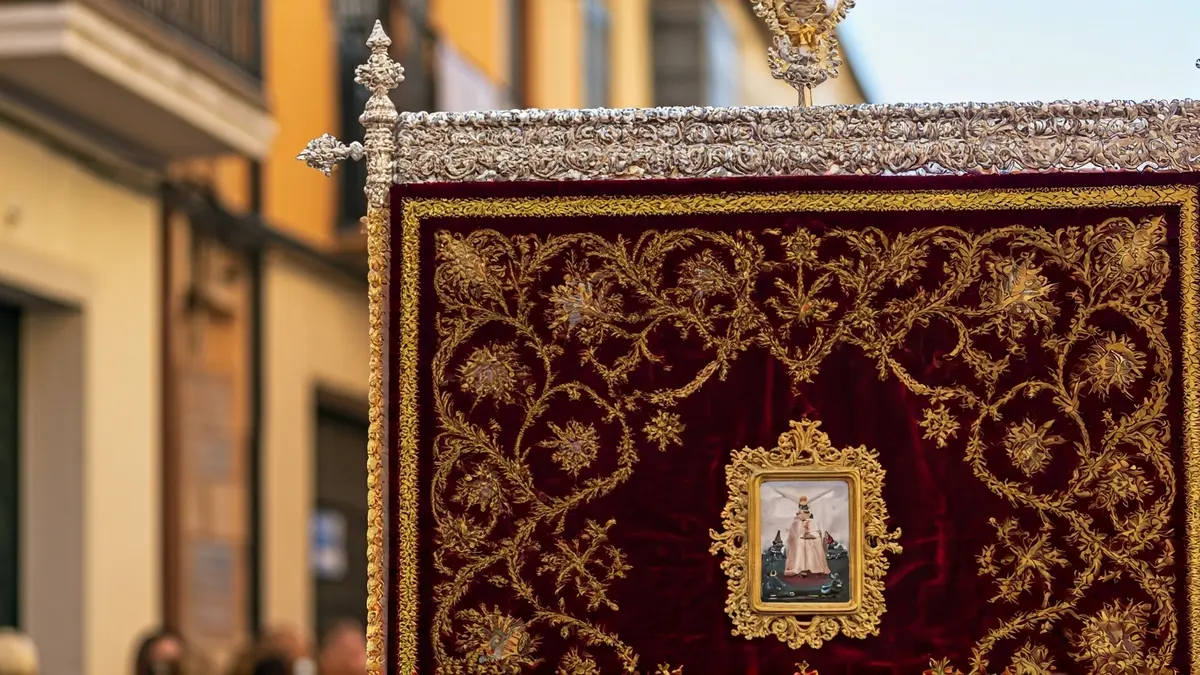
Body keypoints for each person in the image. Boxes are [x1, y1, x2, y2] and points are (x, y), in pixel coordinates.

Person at [784, 495, 831, 577]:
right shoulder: (797, 518)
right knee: (801, 543)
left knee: (813, 542)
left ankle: (816, 567)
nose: (803, 506)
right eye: (802, 504)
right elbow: (796, 528)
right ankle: (801, 568)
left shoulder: (810, 514)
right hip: (801, 533)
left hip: (808, 531)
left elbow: (810, 521)